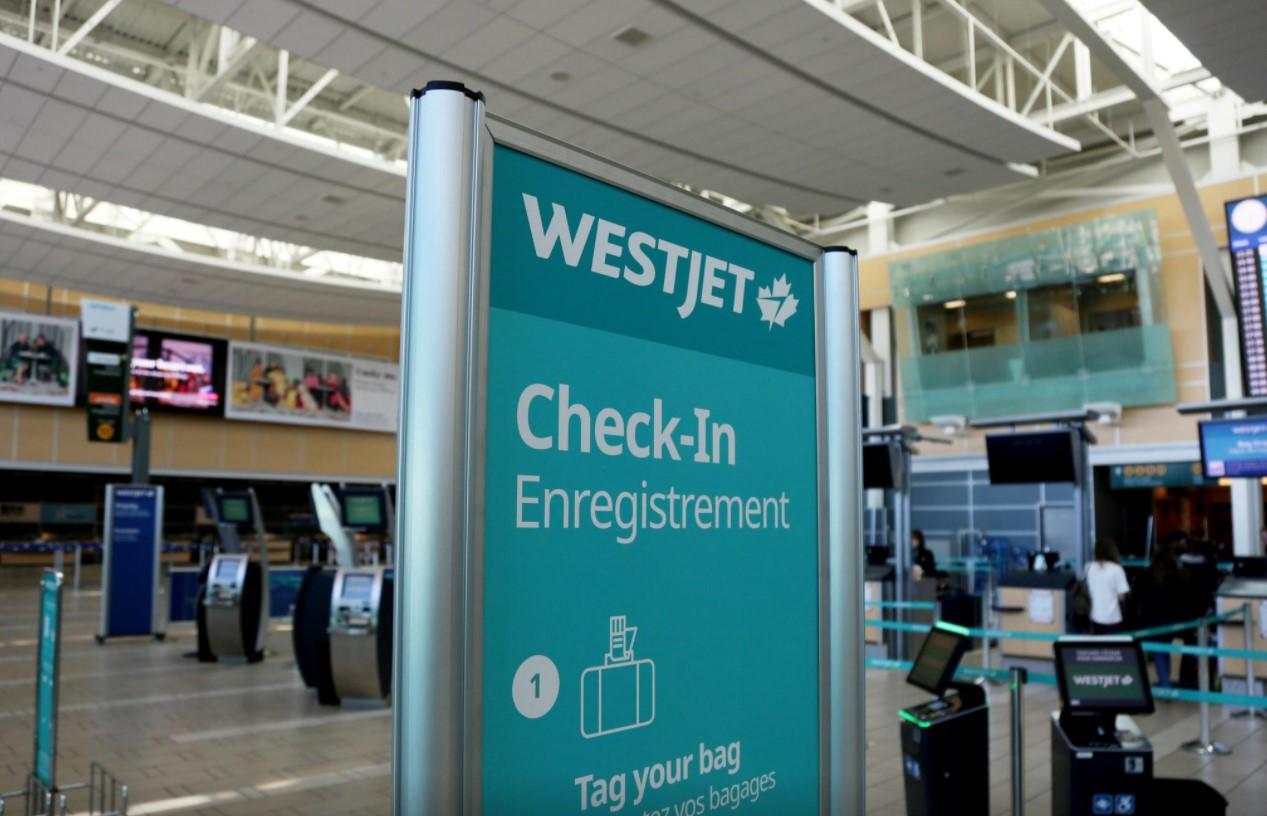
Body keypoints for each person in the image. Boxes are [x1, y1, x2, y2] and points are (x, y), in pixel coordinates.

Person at [1136, 533, 1185, 688]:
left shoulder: (1146, 574)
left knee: (1158, 652)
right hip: (1171, 619)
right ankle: (1166, 681)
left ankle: (1165, 684)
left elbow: (1138, 596)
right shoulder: (1176, 575)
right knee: (1164, 650)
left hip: (1152, 618)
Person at [1084, 537, 1130, 634]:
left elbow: (1088, 588)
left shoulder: (1088, 567)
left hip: (1095, 616)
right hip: (1113, 618)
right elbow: (1122, 597)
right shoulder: (1117, 569)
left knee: (1098, 647)